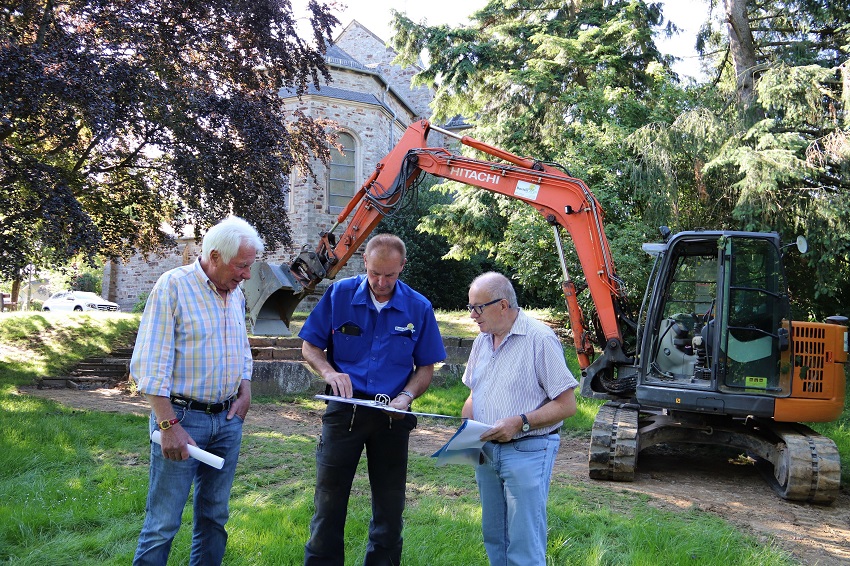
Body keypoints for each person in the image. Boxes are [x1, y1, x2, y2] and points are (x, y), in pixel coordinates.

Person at [300, 233, 446, 565]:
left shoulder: (418, 307)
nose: (381, 282)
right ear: (363, 262)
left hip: (393, 416)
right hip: (345, 411)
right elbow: (310, 346)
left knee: (390, 508)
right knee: (329, 503)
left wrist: (406, 397)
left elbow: (425, 368)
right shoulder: (339, 295)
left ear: (402, 268)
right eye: (375, 273)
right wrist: (329, 373)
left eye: (390, 275)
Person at [130, 215, 264, 565]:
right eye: (241, 266)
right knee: (163, 522)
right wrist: (168, 425)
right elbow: (149, 363)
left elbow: (241, 346)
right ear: (215, 256)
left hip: (228, 420)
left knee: (214, 518)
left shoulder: (233, 292)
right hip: (181, 420)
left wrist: (245, 386)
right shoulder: (172, 286)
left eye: (250, 267)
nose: (247, 275)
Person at [461, 271, 578, 566]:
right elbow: (474, 394)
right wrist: (467, 426)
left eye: (478, 307)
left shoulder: (540, 339)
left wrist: (520, 422)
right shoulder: (482, 342)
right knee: (494, 536)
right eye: (470, 307)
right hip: (486, 449)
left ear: (503, 305)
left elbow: (567, 405)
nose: (473, 315)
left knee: (524, 542)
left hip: (528, 449)